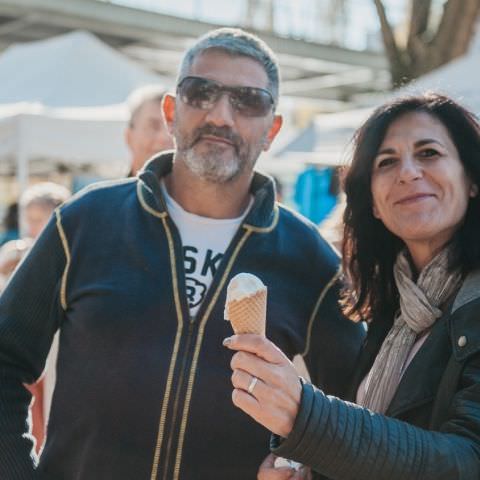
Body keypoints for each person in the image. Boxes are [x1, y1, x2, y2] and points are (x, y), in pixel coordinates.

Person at [0, 28, 364, 479]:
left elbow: (359, 411)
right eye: (201, 93)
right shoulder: (85, 221)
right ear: (171, 112)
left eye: (247, 100)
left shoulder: (307, 258)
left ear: (272, 129)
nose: (221, 115)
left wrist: (302, 464)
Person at [225, 92, 480, 479]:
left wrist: (306, 416)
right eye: (387, 161)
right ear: (374, 203)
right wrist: (303, 468)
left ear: (472, 179)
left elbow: (466, 462)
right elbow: (367, 452)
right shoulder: (388, 311)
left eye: (429, 153)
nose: (407, 172)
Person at [124, 84, 175, 176]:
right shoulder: (107, 190)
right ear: (129, 136)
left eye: (172, 126)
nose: (164, 137)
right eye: (153, 126)